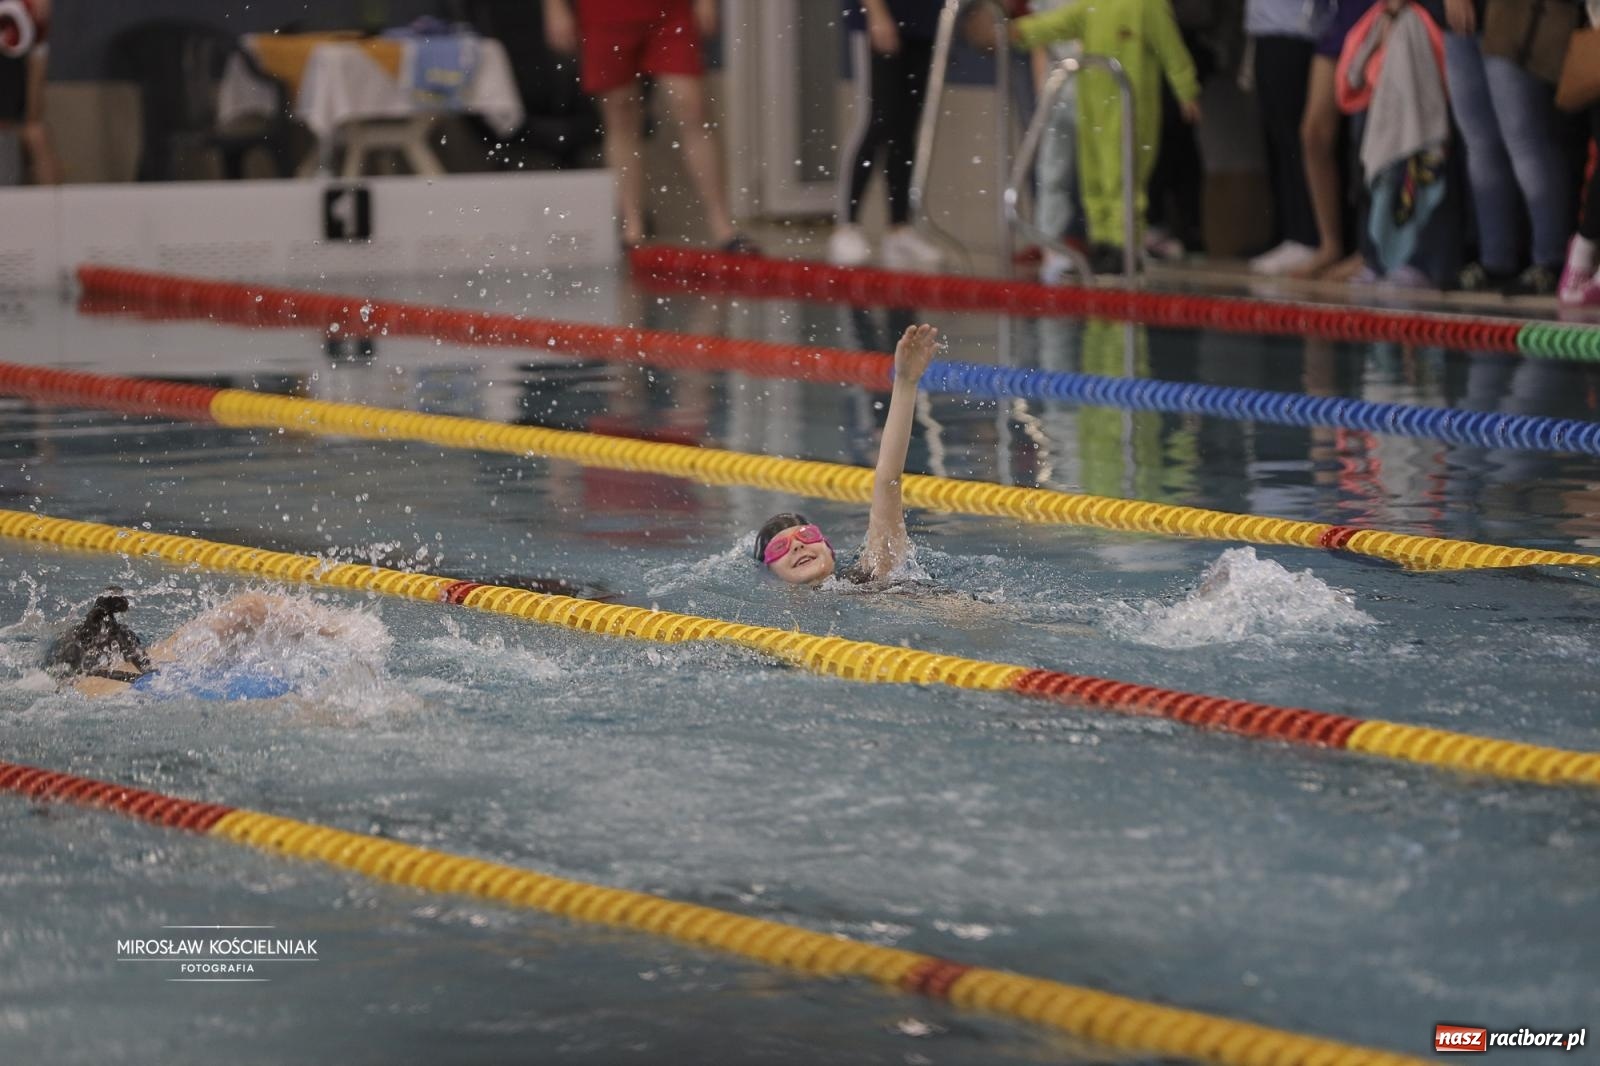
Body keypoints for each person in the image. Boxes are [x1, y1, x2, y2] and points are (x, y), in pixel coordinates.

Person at [977, 0, 1202, 274]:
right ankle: (1104, 244)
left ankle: (1125, 246)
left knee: (1123, 183)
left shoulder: (1149, 6)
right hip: (1093, 111)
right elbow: (1054, 25)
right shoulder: (1092, 6)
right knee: (1094, 182)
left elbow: (1171, 49)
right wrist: (1014, 32)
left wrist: (1186, 90)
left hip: (1131, 112)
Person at [541, 0, 755, 252]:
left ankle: (723, 226)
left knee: (692, 106)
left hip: (669, 9)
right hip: (602, 11)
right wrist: (554, 7)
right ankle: (632, 228)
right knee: (620, 116)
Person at [754, 323, 937, 586]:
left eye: (807, 536)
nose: (797, 547)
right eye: (780, 547)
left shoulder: (868, 576)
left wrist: (905, 382)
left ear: (830, 550)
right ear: (770, 576)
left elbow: (887, 480)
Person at [1443, 0, 1570, 295]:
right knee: (1479, 143)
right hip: (1454, 16)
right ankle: (1496, 258)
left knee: (1525, 139)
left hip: (1514, 14)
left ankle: (1549, 259)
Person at [44, 590, 344, 699]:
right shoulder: (159, 655)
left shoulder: (82, 693)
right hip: (167, 686)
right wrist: (344, 630)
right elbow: (251, 606)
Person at [829, 0, 947, 271]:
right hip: (880, 16)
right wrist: (876, 12)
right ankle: (846, 226)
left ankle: (899, 228)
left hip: (923, 21)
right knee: (878, 120)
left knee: (906, 128)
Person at [1244, 0, 1329, 275]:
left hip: (1297, 31)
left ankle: (1306, 234)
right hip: (1267, 28)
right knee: (1279, 140)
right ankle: (1289, 231)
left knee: (1296, 140)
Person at [0, 0, 60, 186]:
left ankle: (54, 210)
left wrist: (32, 116)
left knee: (36, 135)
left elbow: (37, 63)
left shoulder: (32, 10)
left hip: (15, 105)